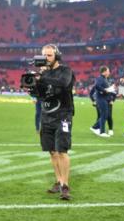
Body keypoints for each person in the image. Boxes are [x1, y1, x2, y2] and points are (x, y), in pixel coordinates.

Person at [31, 44, 75, 201]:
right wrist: (34, 85)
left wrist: (43, 77)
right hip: (47, 116)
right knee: (52, 151)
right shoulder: (43, 74)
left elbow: (63, 84)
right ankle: (58, 180)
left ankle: (65, 185)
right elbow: (40, 95)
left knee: (62, 150)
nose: (46, 59)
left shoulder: (66, 71)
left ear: (57, 56)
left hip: (63, 115)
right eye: (44, 56)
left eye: (49, 55)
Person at [90, 66, 115, 138]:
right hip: (101, 99)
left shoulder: (104, 79)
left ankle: (95, 127)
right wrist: (105, 90)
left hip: (104, 99)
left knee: (105, 115)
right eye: (108, 71)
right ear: (104, 72)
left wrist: (110, 89)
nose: (109, 72)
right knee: (104, 115)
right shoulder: (100, 78)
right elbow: (97, 86)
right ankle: (102, 132)